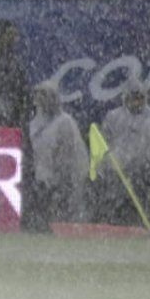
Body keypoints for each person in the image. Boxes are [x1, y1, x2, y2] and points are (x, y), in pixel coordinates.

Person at [97, 81, 150, 226]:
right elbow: (104, 144)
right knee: (115, 205)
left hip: (144, 173)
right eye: (133, 97)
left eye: (140, 97)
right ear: (125, 98)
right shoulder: (113, 116)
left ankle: (140, 228)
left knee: (141, 207)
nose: (136, 101)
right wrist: (104, 166)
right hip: (117, 173)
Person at [27, 82, 88, 224]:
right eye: (38, 96)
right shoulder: (34, 123)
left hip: (63, 182)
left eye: (45, 96)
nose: (41, 100)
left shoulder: (65, 122)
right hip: (41, 181)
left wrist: (57, 182)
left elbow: (68, 156)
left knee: (64, 218)